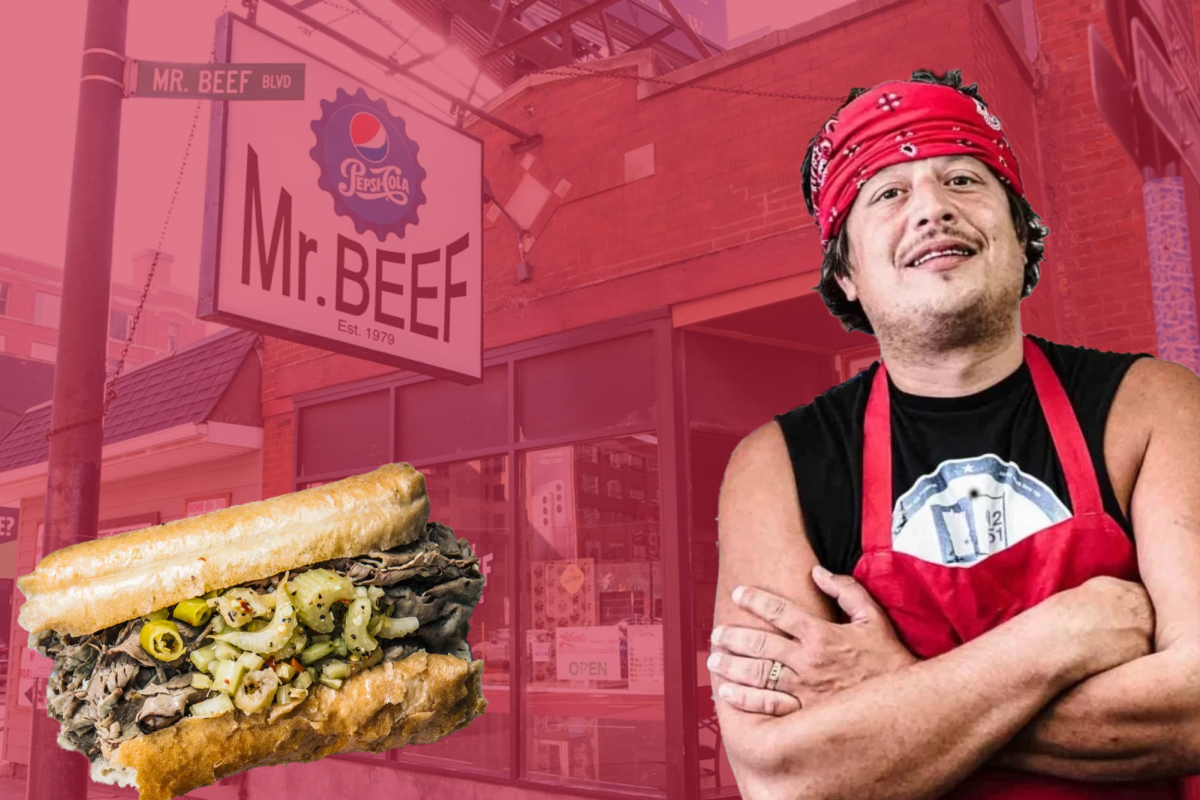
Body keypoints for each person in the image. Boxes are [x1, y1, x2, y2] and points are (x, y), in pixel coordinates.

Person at [707, 69, 1200, 800]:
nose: (933, 209)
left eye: (965, 179)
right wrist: (1072, 630)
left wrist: (895, 686)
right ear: (845, 271)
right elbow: (783, 775)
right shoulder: (777, 464)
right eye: (888, 193)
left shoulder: (1153, 406)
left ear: (1017, 227)